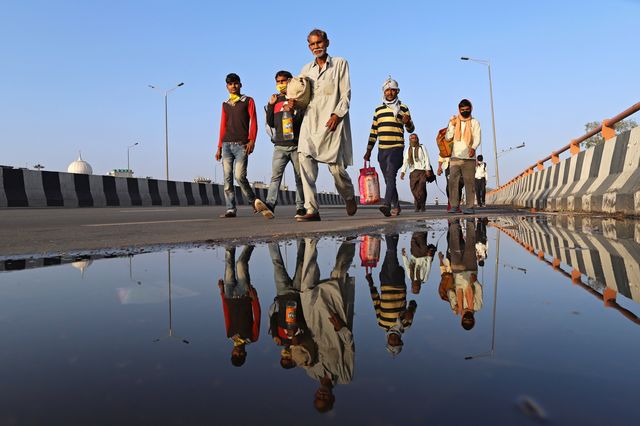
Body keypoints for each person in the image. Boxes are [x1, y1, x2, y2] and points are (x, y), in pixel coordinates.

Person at [293, 29, 357, 222]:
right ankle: (311, 209)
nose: (316, 47)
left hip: (332, 123)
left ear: (327, 43)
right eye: (312, 44)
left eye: (319, 43)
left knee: (336, 169)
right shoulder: (306, 70)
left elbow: (345, 94)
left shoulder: (339, 64)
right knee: (304, 159)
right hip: (310, 122)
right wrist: (295, 103)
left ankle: (348, 195)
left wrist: (337, 114)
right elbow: (303, 98)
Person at [290, 238, 356, 413]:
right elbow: (349, 348)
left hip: (314, 322)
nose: (321, 395)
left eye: (318, 397)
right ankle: (350, 239)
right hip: (336, 323)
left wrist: (296, 341)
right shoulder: (344, 376)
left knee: (306, 288)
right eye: (325, 398)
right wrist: (341, 328)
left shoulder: (311, 372)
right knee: (339, 272)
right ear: (332, 397)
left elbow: (304, 348)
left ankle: (311, 243)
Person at [215, 73, 269, 218]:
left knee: (239, 176)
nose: (233, 86)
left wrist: (252, 140)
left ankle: (254, 201)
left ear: (240, 84)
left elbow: (254, 121)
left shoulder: (248, 100)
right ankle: (231, 209)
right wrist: (219, 146)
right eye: (230, 84)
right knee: (227, 178)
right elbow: (222, 126)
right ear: (227, 87)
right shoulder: (225, 104)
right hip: (226, 145)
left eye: (235, 83)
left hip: (241, 145)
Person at [365, 77, 416, 217]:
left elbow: (411, 129)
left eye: (393, 90)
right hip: (382, 150)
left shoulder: (403, 108)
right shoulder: (378, 110)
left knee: (391, 174)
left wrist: (408, 122)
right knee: (388, 179)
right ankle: (397, 206)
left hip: (396, 147)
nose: (390, 92)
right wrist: (368, 150)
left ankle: (386, 204)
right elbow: (373, 131)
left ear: (397, 91)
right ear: (384, 92)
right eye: (387, 90)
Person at [259, 71, 306, 219]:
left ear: (290, 81)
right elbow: (271, 123)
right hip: (279, 146)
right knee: (275, 178)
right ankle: (270, 205)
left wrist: (293, 110)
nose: (280, 84)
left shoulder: (297, 99)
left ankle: (300, 208)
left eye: (283, 81)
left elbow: (302, 121)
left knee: (299, 178)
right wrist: (270, 105)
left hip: (296, 144)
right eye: (278, 82)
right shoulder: (276, 100)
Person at [365, 233, 417, 356]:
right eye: (396, 342)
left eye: (391, 343)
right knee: (391, 252)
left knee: (390, 253)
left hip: (384, 284)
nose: (393, 340)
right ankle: (390, 227)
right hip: (397, 284)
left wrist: (371, 284)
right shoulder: (405, 325)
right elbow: (413, 304)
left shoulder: (381, 324)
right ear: (400, 340)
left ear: (387, 340)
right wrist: (410, 311)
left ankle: (394, 232)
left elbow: (376, 303)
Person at [267, 240, 308, 369]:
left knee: (277, 265)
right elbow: (305, 320)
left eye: (283, 357)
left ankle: (271, 240)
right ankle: (301, 238)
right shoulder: (301, 341)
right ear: (293, 358)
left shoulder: (279, 338)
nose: (285, 355)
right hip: (297, 292)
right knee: (301, 263)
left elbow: (274, 316)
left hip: (282, 293)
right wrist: (295, 333)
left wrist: (274, 334)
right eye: (288, 358)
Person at [218, 245, 261, 367]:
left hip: (229, 295)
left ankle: (230, 242)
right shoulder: (252, 338)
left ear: (231, 353)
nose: (238, 353)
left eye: (234, 355)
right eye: (240, 355)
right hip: (244, 295)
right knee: (241, 264)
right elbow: (257, 317)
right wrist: (254, 299)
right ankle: (250, 243)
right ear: (245, 354)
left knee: (229, 264)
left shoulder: (230, 335)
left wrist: (222, 293)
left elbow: (226, 313)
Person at [445, 99, 481, 214]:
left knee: (469, 183)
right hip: (455, 157)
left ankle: (470, 207)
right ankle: (454, 206)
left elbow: (477, 137)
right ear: (459, 110)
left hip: (469, 158)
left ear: (471, 109)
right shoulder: (454, 121)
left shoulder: (475, 122)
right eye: (462, 110)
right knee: (453, 182)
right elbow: (448, 137)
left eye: (467, 109)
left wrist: (473, 148)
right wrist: (451, 125)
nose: (465, 111)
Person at [446, 219, 483, 330]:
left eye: (465, 320)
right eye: (470, 320)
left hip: (457, 273)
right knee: (470, 244)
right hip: (471, 271)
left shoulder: (456, 309)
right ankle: (470, 220)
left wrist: (455, 304)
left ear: (462, 319)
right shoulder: (477, 306)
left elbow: (449, 291)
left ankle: (454, 222)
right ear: (474, 320)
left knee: (454, 244)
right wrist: (475, 281)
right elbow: (479, 290)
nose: (468, 318)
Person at [400, 134, 433, 212]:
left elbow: (427, 158)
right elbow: (405, 161)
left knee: (421, 189)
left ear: (417, 139)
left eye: (415, 138)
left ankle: (422, 206)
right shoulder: (408, 149)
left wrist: (428, 169)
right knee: (414, 189)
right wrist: (403, 172)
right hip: (413, 172)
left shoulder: (422, 147)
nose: (413, 139)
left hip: (422, 171)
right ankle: (418, 204)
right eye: (412, 138)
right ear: (410, 140)